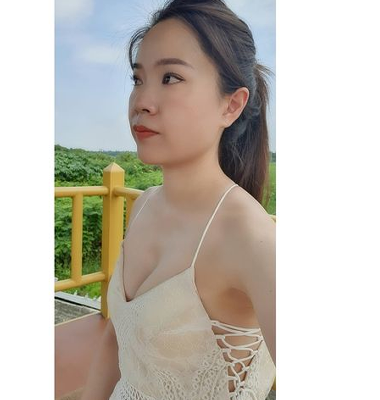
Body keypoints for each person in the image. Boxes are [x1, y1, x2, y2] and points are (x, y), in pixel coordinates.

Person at [81, 1, 275, 399]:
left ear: (231, 105)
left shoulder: (249, 236)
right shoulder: (144, 205)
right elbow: (118, 340)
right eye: (138, 79)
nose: (142, 101)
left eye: (170, 77)